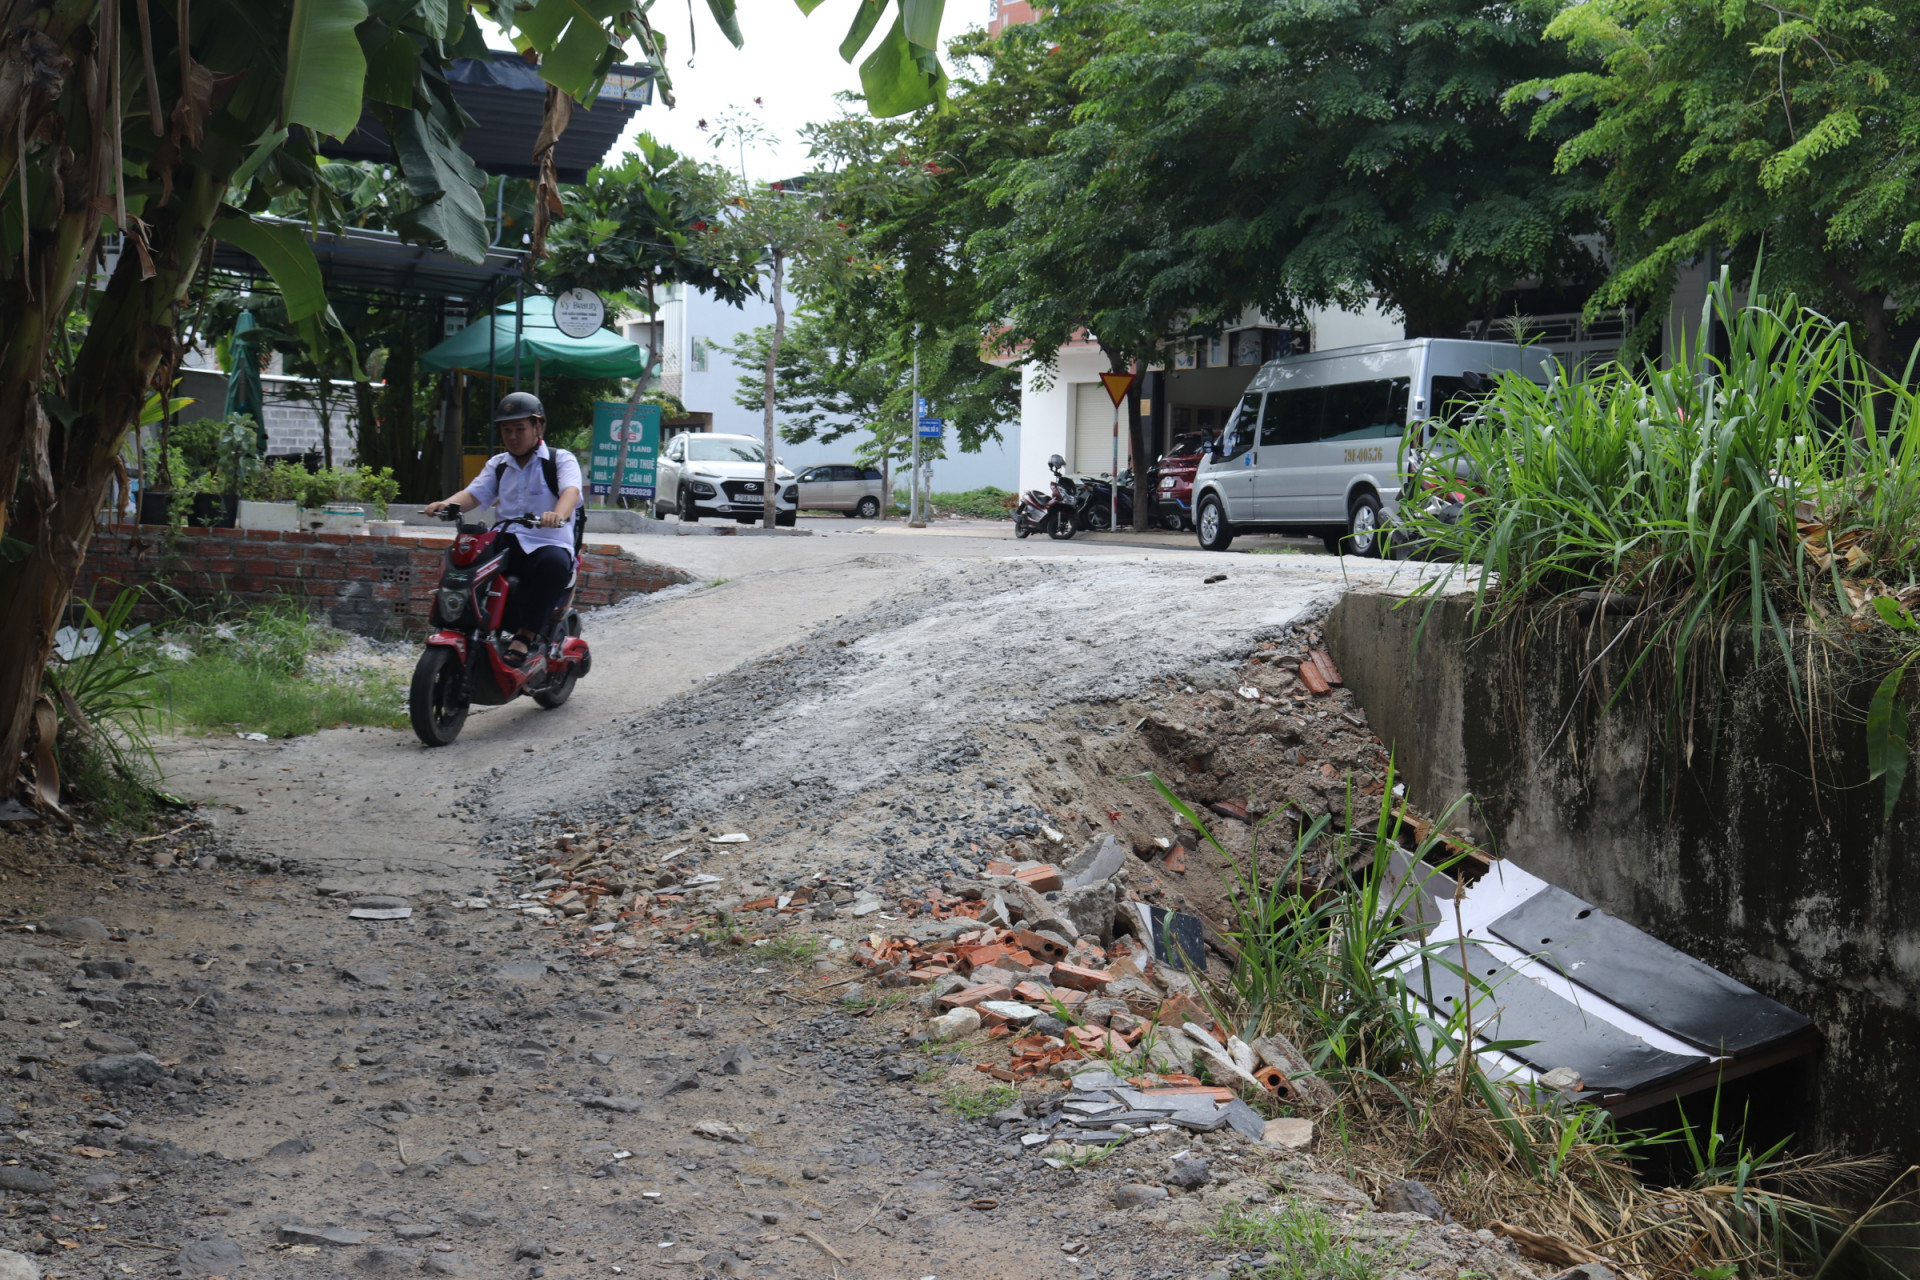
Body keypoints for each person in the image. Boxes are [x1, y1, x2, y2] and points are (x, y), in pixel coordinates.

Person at [425, 392, 583, 666]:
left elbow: (571, 490)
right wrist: (447, 504)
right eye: (506, 430)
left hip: (548, 540)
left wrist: (558, 515)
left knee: (554, 565)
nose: (512, 436)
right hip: (506, 538)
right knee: (464, 561)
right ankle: (462, 624)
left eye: (520, 429)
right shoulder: (498, 464)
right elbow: (473, 495)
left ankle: (525, 636)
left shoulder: (560, 459)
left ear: (538, 427)